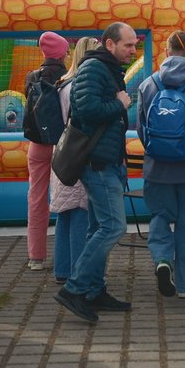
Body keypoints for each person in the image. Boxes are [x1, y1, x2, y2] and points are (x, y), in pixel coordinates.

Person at [54, 22, 137, 324]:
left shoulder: (108, 69)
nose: (133, 50)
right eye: (128, 45)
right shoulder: (93, 69)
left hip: (107, 159)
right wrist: (119, 104)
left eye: (134, 45)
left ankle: (93, 290)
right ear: (110, 44)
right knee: (113, 227)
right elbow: (86, 109)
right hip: (97, 163)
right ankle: (74, 288)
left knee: (97, 227)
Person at [138, 31, 185, 299]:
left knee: (159, 216)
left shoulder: (148, 85)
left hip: (157, 168)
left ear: (166, 51)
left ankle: (162, 259)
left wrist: (156, 150)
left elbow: (142, 129)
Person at [50, 37, 100, 284]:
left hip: (62, 153)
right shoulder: (82, 86)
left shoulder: (62, 84)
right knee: (80, 212)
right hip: (79, 153)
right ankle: (78, 271)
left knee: (64, 213)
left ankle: (62, 269)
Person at [23, 31, 69, 272]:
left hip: (38, 144)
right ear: (62, 54)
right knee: (68, 199)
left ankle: (36, 256)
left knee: (36, 198)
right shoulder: (67, 77)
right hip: (63, 144)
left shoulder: (31, 77)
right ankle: (66, 254)